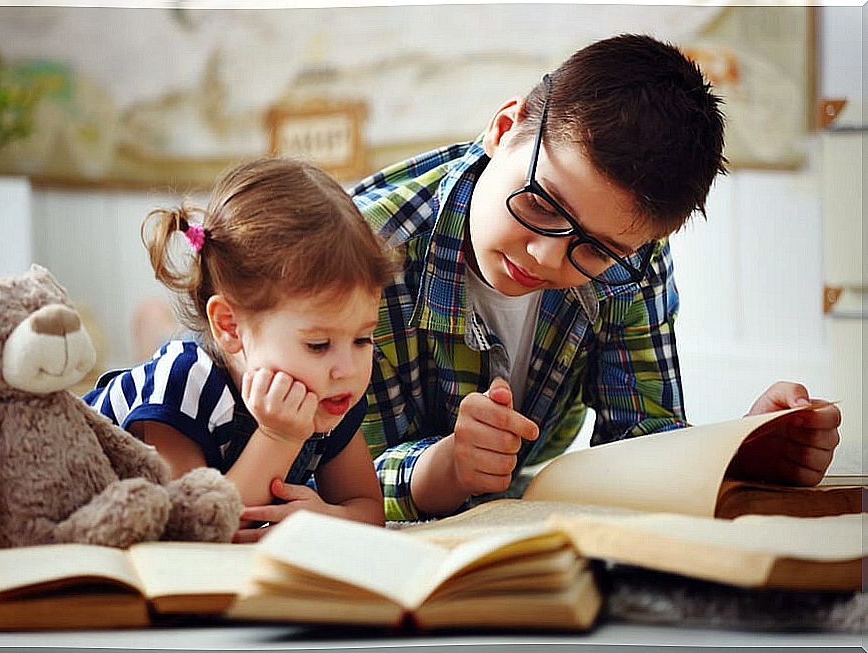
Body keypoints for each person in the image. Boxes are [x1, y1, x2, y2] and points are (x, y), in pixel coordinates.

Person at [351, 34, 842, 521]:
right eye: (541, 203)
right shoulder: (355, 254)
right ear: (504, 129)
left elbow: (640, 434)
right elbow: (306, 477)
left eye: (598, 249)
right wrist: (442, 468)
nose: (545, 256)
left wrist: (737, 453)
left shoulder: (629, 259)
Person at [0, 158, 392, 541]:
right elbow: (194, 526)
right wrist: (279, 436)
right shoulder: (184, 386)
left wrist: (326, 518)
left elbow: (367, 509)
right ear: (230, 327)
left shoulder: (332, 396)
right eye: (318, 343)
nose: (346, 367)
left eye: (363, 338)